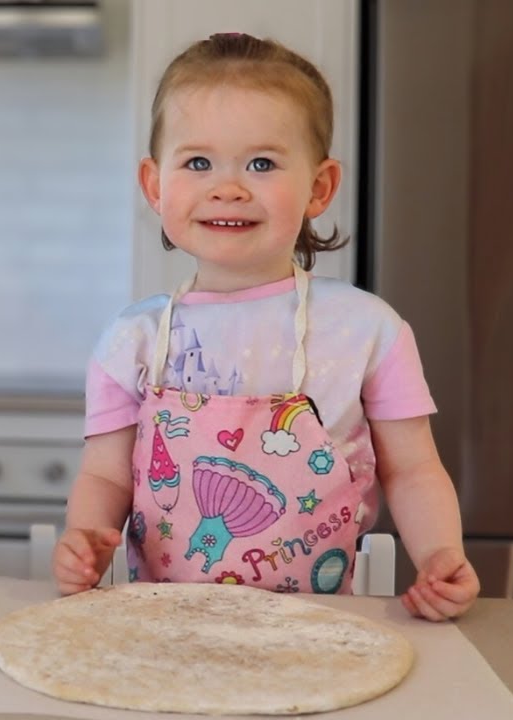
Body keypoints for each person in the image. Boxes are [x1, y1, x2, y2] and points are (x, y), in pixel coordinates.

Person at [52, 33, 479, 621]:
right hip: (161, 630)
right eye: (197, 163)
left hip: (317, 629)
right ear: (155, 185)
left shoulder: (368, 331)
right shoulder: (131, 342)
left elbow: (412, 469)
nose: (227, 188)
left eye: (262, 163)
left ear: (319, 188)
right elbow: (105, 475)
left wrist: (439, 554)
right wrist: (85, 538)